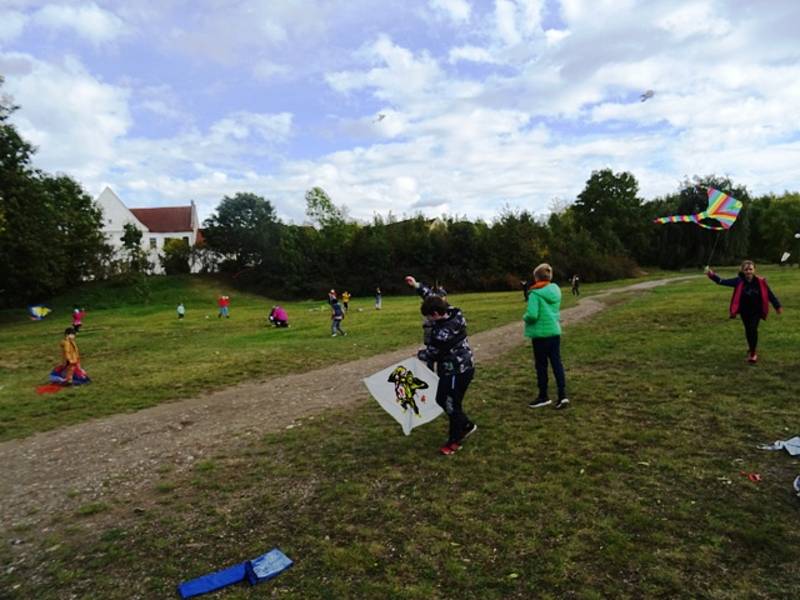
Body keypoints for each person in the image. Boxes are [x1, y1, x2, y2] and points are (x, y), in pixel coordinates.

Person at [405, 275, 477, 456]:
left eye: (429, 317)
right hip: (455, 368)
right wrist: (416, 285)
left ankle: (455, 441)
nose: (428, 320)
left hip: (457, 370)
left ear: (436, 314)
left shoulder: (442, 332)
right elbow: (431, 298)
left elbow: (433, 353)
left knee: (451, 404)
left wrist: (418, 354)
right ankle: (467, 425)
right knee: (443, 400)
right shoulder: (452, 311)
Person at [706, 261, 782, 363]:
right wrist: (711, 275)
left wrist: (777, 306)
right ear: (742, 270)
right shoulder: (738, 281)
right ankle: (751, 347)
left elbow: (770, 294)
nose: (748, 271)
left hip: (756, 311)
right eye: (746, 269)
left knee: (752, 329)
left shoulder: (760, 282)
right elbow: (721, 281)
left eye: (750, 269)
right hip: (744, 311)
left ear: (754, 270)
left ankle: (753, 354)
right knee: (748, 330)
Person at [525, 263, 569, 409]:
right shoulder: (555, 291)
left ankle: (543, 396)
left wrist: (525, 317)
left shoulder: (534, 294)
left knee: (541, 366)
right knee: (557, 363)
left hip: (540, 335)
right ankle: (562, 395)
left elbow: (532, 315)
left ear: (536, 278)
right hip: (554, 332)